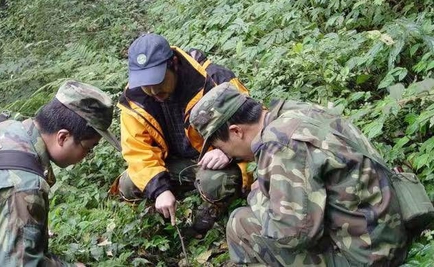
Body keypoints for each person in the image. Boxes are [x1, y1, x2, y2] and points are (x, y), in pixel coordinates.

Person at [189, 82, 410, 266]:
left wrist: (257, 197)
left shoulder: (280, 144)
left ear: (236, 131)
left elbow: (294, 236)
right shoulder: (297, 112)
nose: (227, 154)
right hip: (388, 234)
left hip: (367, 257)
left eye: (222, 146)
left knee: (240, 224)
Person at [115, 33, 251, 234]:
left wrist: (229, 151)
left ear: (174, 64)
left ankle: (209, 216)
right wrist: (159, 190)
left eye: (158, 81)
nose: (153, 91)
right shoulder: (134, 100)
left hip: (212, 161)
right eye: (146, 84)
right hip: (173, 163)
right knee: (128, 183)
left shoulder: (212, 80)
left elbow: (249, 127)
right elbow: (138, 152)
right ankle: (162, 223)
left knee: (214, 182)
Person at [0, 80, 118, 266]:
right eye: (88, 148)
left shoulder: (3, 127)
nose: (87, 156)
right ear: (63, 137)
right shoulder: (24, 186)